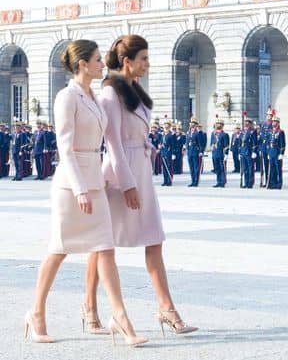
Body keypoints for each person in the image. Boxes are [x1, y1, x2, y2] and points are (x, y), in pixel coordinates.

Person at [26, 40, 146, 346]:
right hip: (72, 186)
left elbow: (107, 140)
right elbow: (65, 148)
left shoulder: (93, 96)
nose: (102, 64)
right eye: (96, 60)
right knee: (59, 250)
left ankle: (121, 318)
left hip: (96, 181)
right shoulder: (67, 97)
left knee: (105, 249)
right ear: (82, 64)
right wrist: (80, 189)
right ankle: (36, 313)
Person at [85, 35, 197, 336]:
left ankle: (166, 309)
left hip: (141, 171)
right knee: (103, 243)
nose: (147, 65)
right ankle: (90, 308)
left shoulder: (134, 91)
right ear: (127, 61)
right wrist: (128, 185)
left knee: (154, 238)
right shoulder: (110, 95)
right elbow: (114, 146)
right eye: (144, 58)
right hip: (120, 175)